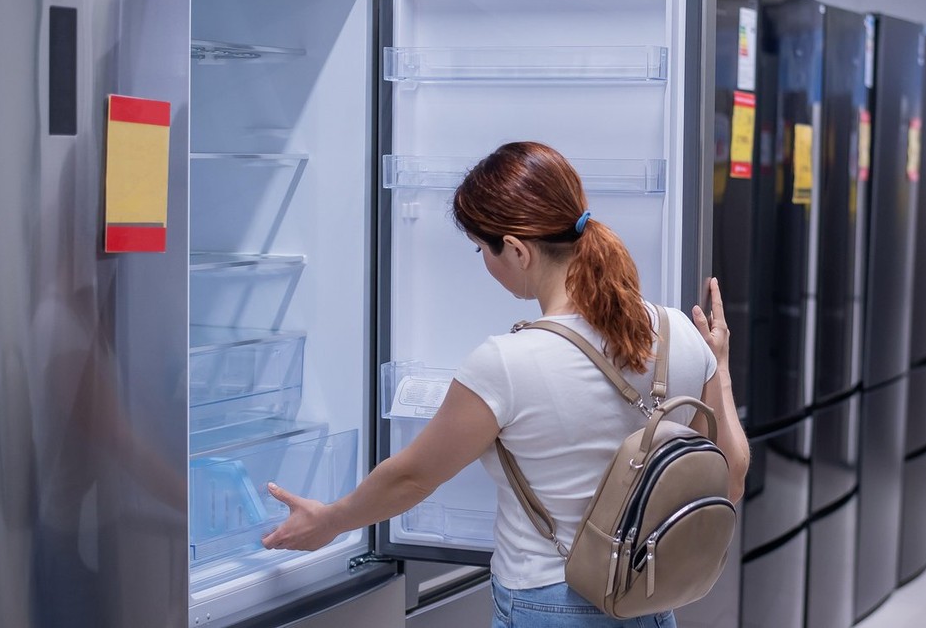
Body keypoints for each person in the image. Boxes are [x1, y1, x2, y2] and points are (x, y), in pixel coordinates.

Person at [261, 141, 749, 627]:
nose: (484, 263)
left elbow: (413, 477)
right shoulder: (679, 332)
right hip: (647, 602)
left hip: (550, 604)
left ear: (516, 249)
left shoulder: (506, 364)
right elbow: (730, 480)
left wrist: (330, 521)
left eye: (481, 249)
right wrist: (719, 364)